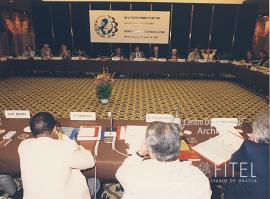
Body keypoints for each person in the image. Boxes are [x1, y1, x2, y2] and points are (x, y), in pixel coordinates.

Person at [116, 122, 212, 199]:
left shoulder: (132, 172)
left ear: (148, 148)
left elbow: (120, 173)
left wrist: (140, 152)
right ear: (179, 147)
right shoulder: (199, 178)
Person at [18, 112, 97, 199]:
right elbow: (90, 161)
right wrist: (78, 146)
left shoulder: (24, 145)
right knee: (95, 182)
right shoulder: (66, 146)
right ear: (55, 128)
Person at [224, 112, 269, 199]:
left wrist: (252, 142)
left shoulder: (250, 147)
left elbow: (234, 163)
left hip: (245, 195)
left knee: (228, 180)